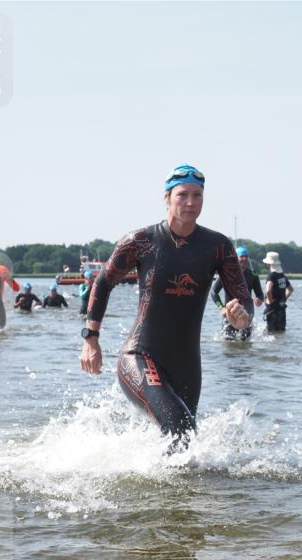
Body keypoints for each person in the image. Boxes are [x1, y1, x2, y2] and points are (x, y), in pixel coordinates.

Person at [79, 164, 251, 447]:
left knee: (185, 445)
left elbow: (242, 298)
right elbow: (102, 282)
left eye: (198, 195)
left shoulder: (218, 246)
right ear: (167, 198)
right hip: (140, 355)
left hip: (187, 364)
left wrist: (243, 319)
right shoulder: (141, 241)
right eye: (182, 195)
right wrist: (91, 339)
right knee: (181, 429)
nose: (191, 203)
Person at [211, 246, 263, 340]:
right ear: (235, 258)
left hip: (246, 311)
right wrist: (221, 307)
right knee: (228, 340)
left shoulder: (253, 275)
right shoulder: (226, 273)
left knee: (246, 341)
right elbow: (214, 292)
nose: (245, 258)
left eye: (246, 256)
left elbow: (260, 294)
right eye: (242, 256)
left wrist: (260, 300)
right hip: (230, 311)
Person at [261, 251, 294, 332]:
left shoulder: (271, 276)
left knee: (271, 334)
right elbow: (290, 289)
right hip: (282, 310)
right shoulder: (282, 276)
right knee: (281, 333)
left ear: (269, 264)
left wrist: (271, 300)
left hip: (272, 311)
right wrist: (284, 298)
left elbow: (268, 290)